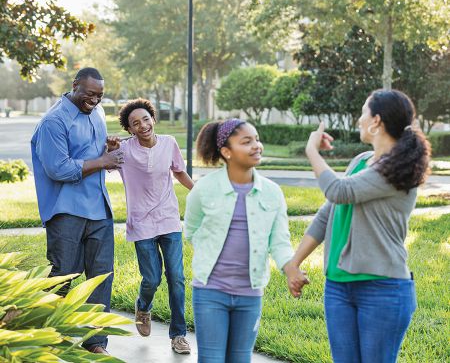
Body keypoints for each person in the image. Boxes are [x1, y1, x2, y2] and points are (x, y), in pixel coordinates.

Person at [286, 89, 431, 363]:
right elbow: (327, 214)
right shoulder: (362, 162)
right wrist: (294, 262)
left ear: (376, 121)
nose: (359, 120)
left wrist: (311, 151)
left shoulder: (396, 170)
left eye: (364, 113)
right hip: (338, 286)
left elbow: (338, 191)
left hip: (382, 288)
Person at [184, 118, 307, 363]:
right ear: (226, 152)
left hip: (250, 293)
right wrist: (210, 253)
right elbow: (192, 230)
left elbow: (280, 241)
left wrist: (290, 268)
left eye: (257, 139)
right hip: (210, 291)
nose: (256, 146)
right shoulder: (204, 189)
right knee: (211, 359)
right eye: (247, 141)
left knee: (240, 359)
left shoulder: (272, 192)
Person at [31, 67, 124, 355]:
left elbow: (91, 154)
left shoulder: (96, 114)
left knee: (100, 277)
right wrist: (103, 161)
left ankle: (96, 342)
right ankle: (50, 340)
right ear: (74, 86)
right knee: (63, 276)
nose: (95, 100)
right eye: (89, 94)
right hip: (66, 211)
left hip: (99, 208)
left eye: (100, 95)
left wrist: (105, 149)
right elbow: (58, 168)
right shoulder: (53, 121)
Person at [109, 98, 194, 354]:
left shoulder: (169, 143)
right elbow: (104, 163)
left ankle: (178, 334)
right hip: (141, 223)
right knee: (152, 278)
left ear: (153, 119)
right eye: (136, 123)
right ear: (130, 129)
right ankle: (143, 307)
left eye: (146, 119)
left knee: (177, 278)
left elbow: (178, 172)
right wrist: (110, 150)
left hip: (168, 218)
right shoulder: (124, 149)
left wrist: (198, 192)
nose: (143, 125)